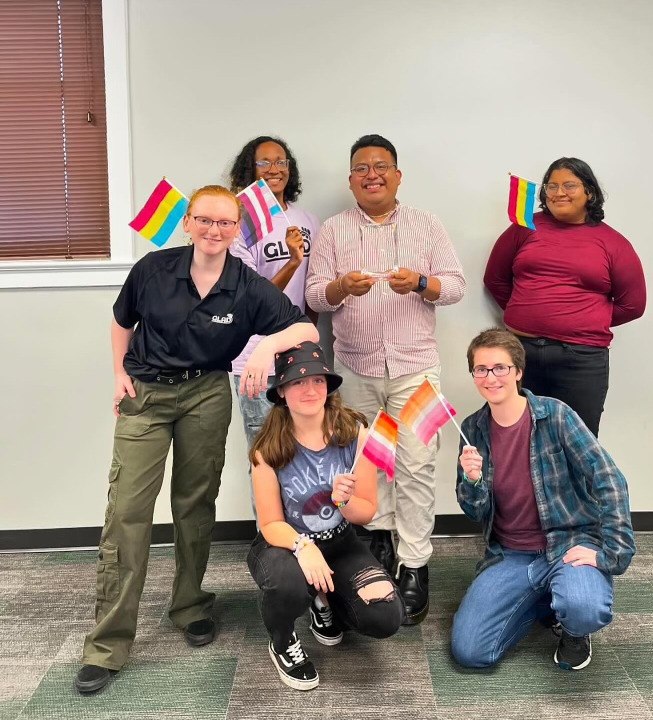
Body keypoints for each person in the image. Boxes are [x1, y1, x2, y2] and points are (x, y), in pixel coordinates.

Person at [75, 185, 319, 693]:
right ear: (187, 222)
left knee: (194, 504)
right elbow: (121, 322)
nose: (214, 231)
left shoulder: (246, 284)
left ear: (237, 230)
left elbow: (307, 332)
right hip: (145, 394)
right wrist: (118, 372)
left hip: (207, 393)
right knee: (127, 514)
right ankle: (108, 644)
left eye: (225, 223)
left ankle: (188, 605)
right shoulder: (152, 269)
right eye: (204, 220)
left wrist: (264, 347)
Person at [305, 134, 465, 625]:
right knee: (367, 464)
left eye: (380, 167)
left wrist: (420, 282)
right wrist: (339, 288)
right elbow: (314, 297)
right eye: (361, 168)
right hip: (354, 367)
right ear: (351, 179)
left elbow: (455, 286)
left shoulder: (427, 224)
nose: (371, 174)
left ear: (398, 175)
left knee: (416, 464)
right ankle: (376, 542)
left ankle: (414, 562)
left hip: (416, 370)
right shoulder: (333, 230)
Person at [451, 329, 635, 672]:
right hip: (511, 554)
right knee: (471, 652)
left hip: (568, 545)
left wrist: (612, 554)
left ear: (518, 372)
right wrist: (471, 481)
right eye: (481, 369)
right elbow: (474, 511)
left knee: (584, 609)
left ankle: (574, 628)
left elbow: (609, 479)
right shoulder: (472, 428)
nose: (490, 378)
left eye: (500, 368)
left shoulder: (557, 415)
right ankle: (545, 602)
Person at [247, 341, 405, 690]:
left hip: (340, 542)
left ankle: (324, 601)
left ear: (328, 388)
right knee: (288, 586)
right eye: (298, 382)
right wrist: (304, 547)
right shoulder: (267, 449)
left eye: (318, 380)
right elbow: (271, 523)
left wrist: (343, 501)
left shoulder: (354, 434)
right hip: (284, 544)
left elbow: (365, 512)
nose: (310, 389)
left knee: (386, 616)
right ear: (282, 392)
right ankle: (283, 640)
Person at [483, 157, 646, 436]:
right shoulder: (525, 228)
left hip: (581, 360)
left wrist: (586, 320)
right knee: (519, 438)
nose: (559, 193)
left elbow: (633, 304)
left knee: (577, 443)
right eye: (552, 186)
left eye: (569, 185)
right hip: (522, 353)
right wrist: (525, 310)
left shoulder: (612, 243)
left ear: (589, 193)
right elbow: (495, 278)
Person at [228, 136, 319, 517]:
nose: (274, 169)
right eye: (264, 163)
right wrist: (291, 262)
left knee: (306, 448)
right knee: (267, 453)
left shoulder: (307, 220)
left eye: (280, 161)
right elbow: (251, 299)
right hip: (254, 359)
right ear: (250, 171)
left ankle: (308, 532)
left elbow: (314, 290)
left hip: (299, 352)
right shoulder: (240, 225)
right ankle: (271, 538)